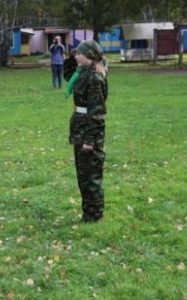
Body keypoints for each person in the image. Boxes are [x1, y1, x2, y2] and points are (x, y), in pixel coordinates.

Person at [67, 39, 108, 223]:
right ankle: (88, 213)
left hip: (89, 132)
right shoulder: (82, 73)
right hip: (80, 129)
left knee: (91, 176)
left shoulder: (94, 78)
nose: (76, 56)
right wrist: (71, 55)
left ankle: (94, 215)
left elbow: (98, 113)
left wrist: (90, 141)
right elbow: (67, 74)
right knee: (83, 174)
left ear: (90, 56)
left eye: (79, 54)